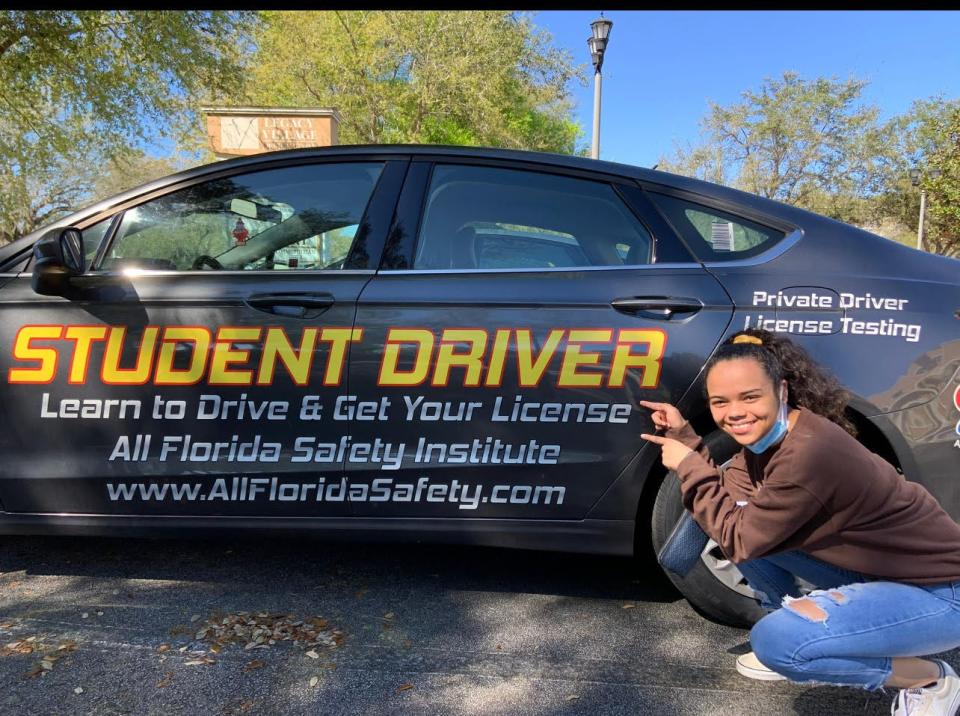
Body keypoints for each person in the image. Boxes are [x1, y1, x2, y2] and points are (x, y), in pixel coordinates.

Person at [639, 328, 960, 716]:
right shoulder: (770, 442)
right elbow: (727, 501)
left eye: (750, 396)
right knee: (749, 533)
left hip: (941, 595)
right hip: (888, 578)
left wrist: (689, 465)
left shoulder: (809, 454)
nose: (735, 412)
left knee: (778, 645)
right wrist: (690, 441)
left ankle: (930, 678)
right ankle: (808, 632)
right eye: (720, 402)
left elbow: (738, 538)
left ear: (782, 391)